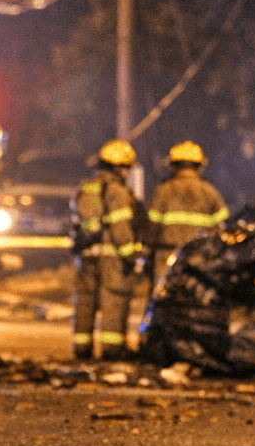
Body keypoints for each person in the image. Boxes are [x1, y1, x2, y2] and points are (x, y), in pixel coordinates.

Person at [70, 140, 149, 360]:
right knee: (114, 300)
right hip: (111, 257)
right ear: (120, 168)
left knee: (85, 302)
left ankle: (81, 348)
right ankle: (112, 350)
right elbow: (120, 227)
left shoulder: (85, 187)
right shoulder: (117, 191)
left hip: (86, 256)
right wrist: (130, 255)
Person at [146, 140, 229, 282]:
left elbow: (151, 228)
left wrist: (149, 252)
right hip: (199, 259)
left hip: (167, 256)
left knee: (164, 296)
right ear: (199, 166)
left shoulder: (163, 191)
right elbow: (221, 228)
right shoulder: (209, 191)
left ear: (173, 166)